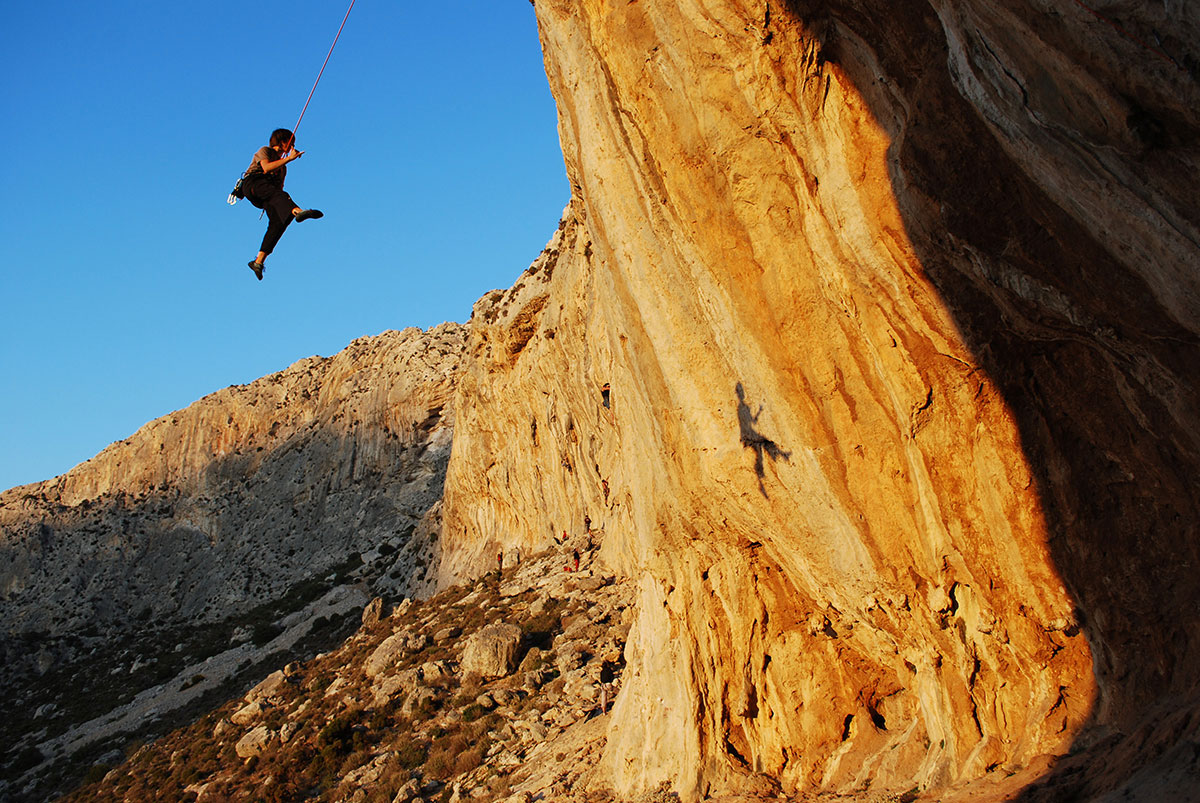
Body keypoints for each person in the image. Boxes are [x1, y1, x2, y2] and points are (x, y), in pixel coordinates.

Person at [240, 128, 323, 280]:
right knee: (283, 200)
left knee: (280, 220)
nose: (293, 146)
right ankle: (298, 211)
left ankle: (258, 261)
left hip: (266, 194)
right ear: (282, 142)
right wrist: (289, 159)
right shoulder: (265, 151)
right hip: (253, 184)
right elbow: (265, 167)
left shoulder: (282, 169)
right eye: (291, 142)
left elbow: (279, 189)